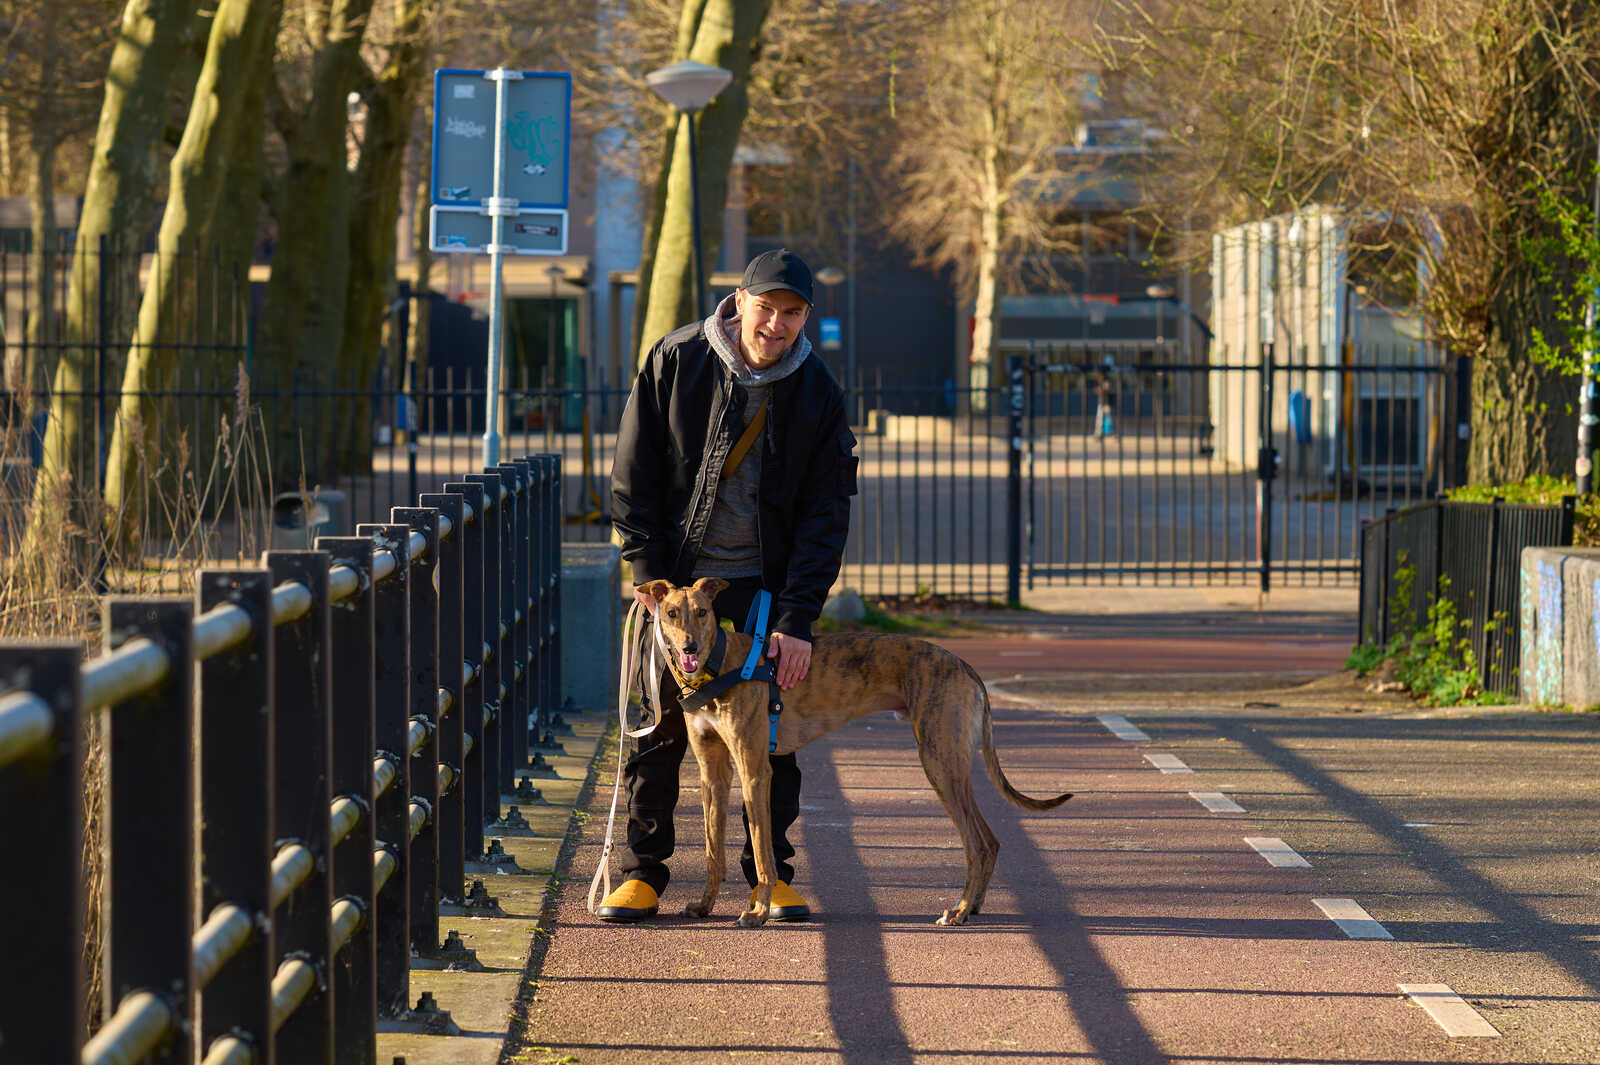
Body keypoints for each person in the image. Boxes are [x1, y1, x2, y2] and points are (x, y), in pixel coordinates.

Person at [601, 248, 858, 922]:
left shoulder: (819, 393)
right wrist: (646, 575)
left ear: (806, 315)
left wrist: (797, 618)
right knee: (657, 728)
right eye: (766, 307)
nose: (776, 323)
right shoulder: (675, 359)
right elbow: (634, 475)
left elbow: (826, 516)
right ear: (739, 301)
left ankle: (767, 877)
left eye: (792, 311)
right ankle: (643, 873)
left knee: (771, 739)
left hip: (758, 590)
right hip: (676, 581)